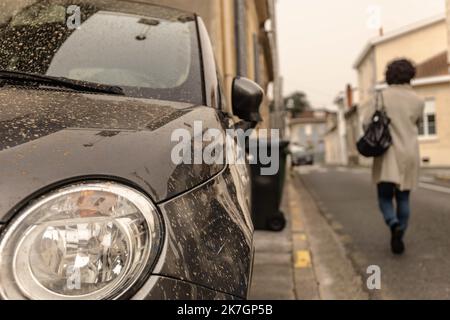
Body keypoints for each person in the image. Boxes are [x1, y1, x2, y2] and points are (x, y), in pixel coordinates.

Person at [363, 59, 425, 255]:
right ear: (410, 75)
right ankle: (399, 234)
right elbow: (418, 125)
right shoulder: (419, 100)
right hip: (409, 152)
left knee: (384, 196)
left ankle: (393, 222)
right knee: (403, 197)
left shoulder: (381, 97)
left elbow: (366, 123)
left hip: (387, 152)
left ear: (389, 75)